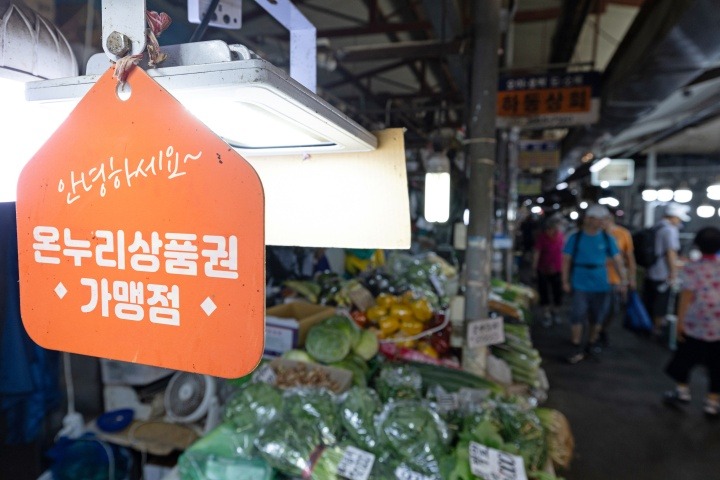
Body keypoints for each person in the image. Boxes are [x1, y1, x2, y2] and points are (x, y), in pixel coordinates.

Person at [663, 226, 720, 417]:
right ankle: (712, 403)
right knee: (717, 364)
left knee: (684, 359)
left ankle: (682, 392)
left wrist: (680, 321)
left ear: (697, 244)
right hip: (718, 326)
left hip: (695, 323)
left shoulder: (692, 267)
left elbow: (686, 296)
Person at [561, 204, 628, 364]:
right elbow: (566, 260)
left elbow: (618, 261)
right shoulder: (575, 237)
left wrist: (623, 280)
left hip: (601, 283)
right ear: (589, 219)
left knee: (597, 316)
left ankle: (590, 344)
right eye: (600, 219)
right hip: (580, 281)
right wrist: (564, 281)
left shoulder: (607, 238)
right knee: (578, 313)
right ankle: (576, 346)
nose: (602, 223)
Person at [643, 202, 691, 337]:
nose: (680, 222)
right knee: (661, 304)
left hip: (650, 271)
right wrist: (673, 273)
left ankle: (647, 327)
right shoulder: (670, 230)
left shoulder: (656, 227)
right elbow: (670, 252)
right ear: (674, 217)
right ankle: (657, 330)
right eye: (679, 219)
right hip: (662, 274)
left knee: (650, 301)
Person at [600, 210, 637, 347]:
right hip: (597, 278)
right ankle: (595, 334)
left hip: (616, 278)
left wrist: (630, 278)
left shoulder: (623, 234)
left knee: (613, 309)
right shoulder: (595, 235)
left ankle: (602, 330)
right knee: (598, 309)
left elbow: (629, 258)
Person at [532, 216, 565, 326]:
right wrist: (534, 268)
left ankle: (555, 312)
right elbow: (537, 253)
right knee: (544, 292)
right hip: (543, 269)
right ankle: (546, 314)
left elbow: (564, 253)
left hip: (558, 269)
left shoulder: (561, 237)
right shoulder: (542, 238)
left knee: (557, 292)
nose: (549, 231)